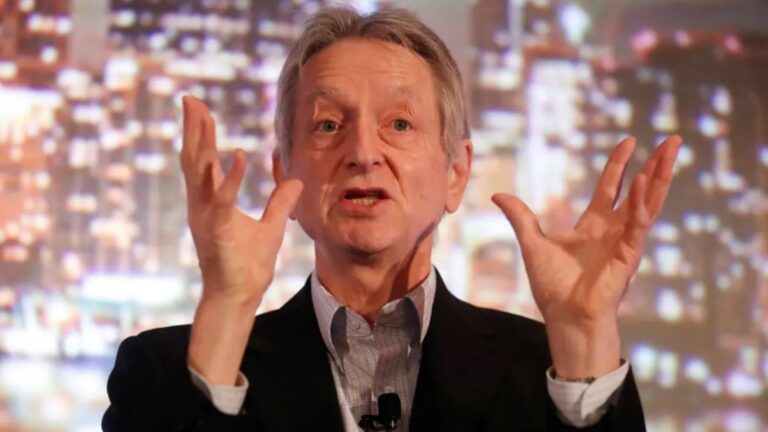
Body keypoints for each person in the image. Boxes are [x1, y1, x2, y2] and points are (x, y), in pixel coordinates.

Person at [102, 7, 681, 432]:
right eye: (328, 125)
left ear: (456, 173)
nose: (362, 152)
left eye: (399, 124)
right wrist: (228, 307)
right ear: (285, 177)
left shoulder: (550, 373)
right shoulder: (167, 370)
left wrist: (581, 335)